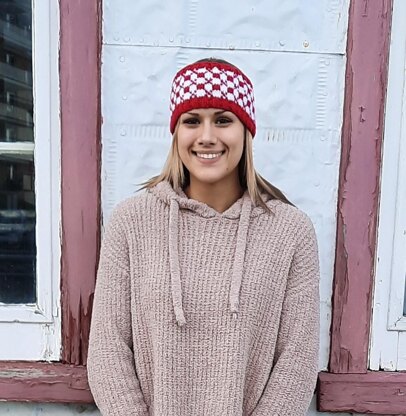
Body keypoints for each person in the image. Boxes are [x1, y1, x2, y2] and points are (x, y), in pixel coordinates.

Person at [87, 58, 320, 416]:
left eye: (223, 120)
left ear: (246, 131)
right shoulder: (131, 223)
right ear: (176, 132)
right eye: (192, 121)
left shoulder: (290, 232)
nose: (207, 136)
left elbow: (297, 360)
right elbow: (108, 349)